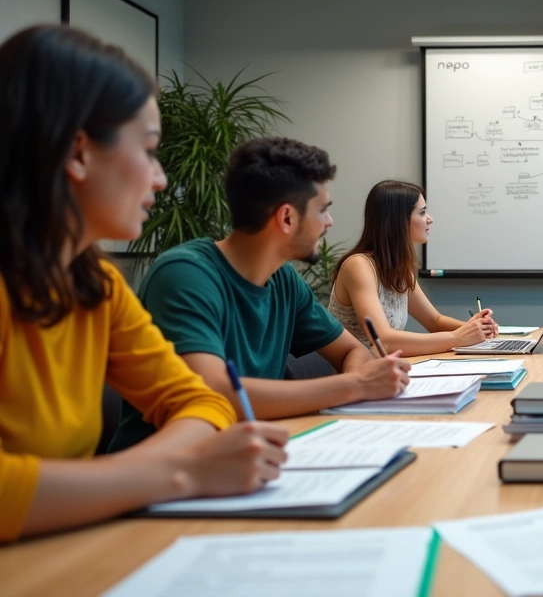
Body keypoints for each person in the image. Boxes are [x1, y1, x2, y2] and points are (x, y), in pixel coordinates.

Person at [0, 25, 287, 541]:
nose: (160, 178)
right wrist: (180, 472)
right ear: (79, 152)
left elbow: (203, 401)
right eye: (150, 150)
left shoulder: (96, 284)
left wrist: (139, 477)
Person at [109, 137, 411, 452]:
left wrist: (355, 387)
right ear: (286, 218)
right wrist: (355, 386)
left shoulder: (282, 279)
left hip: (247, 457)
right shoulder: (184, 275)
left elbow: (353, 351)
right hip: (165, 478)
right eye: (322, 210)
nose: (329, 222)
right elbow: (215, 393)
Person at [329, 180, 498, 355]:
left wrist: (475, 329)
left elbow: (435, 321)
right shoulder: (358, 266)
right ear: (398, 220)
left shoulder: (397, 270)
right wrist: (457, 338)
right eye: (422, 212)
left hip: (383, 372)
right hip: (354, 375)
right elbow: (384, 341)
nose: (430, 219)